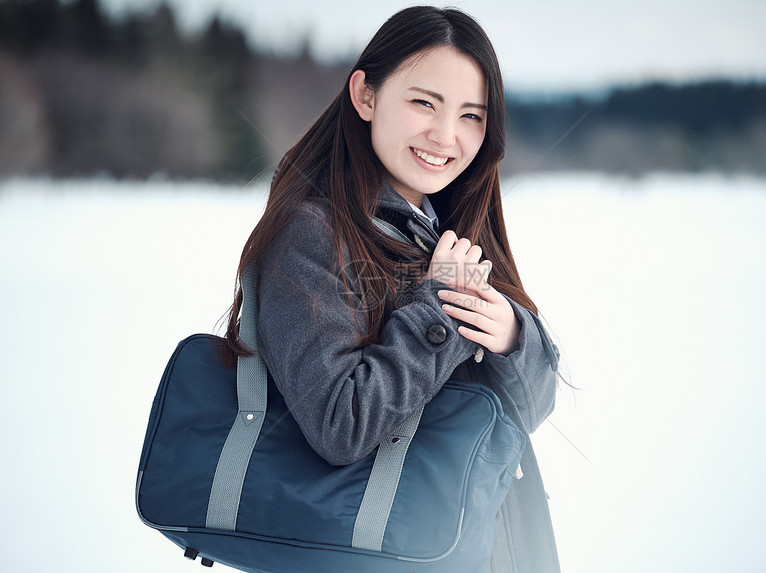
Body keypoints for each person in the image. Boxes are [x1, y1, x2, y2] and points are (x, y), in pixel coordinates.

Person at [224, 6, 561, 572]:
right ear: (365, 95)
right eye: (424, 103)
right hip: (381, 554)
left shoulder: (448, 228)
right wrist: (440, 311)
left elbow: (530, 410)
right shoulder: (311, 233)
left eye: (472, 115)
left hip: (485, 549)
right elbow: (341, 423)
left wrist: (511, 336)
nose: (446, 135)